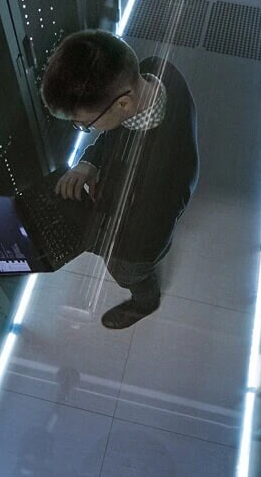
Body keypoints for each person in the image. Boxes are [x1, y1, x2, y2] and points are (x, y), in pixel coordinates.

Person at [40, 29, 199, 329]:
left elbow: (140, 243)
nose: (84, 128)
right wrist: (89, 162)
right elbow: (117, 131)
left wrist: (78, 233)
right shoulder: (154, 69)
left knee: (129, 273)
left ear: (123, 104)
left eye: (85, 124)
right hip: (139, 204)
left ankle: (146, 301)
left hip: (137, 247)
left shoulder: (160, 178)